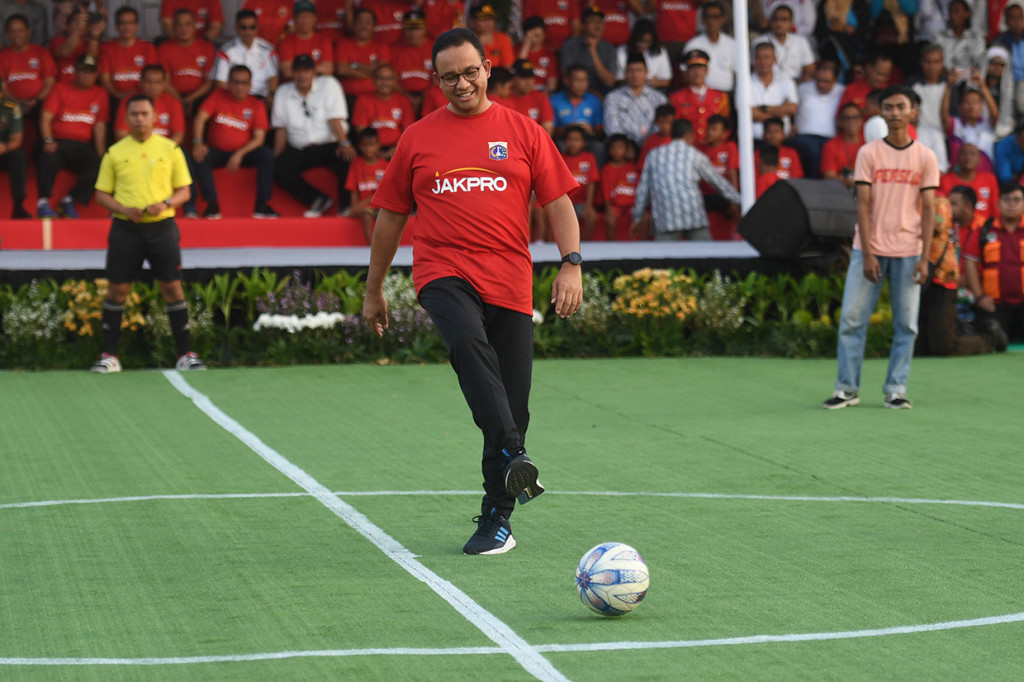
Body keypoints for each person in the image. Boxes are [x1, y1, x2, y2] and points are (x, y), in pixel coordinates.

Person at [361, 28, 583, 556]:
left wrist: (570, 265)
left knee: (512, 400)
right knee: (466, 345)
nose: (461, 83)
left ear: (487, 67)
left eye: (469, 71)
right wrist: (374, 290)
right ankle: (513, 452)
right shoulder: (416, 137)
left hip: (510, 279)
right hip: (443, 270)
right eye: (448, 76)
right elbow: (391, 217)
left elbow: (558, 204)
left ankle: (497, 517)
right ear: (434, 79)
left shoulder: (524, 130)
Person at [823, 84, 940, 411]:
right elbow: (863, 205)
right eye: (888, 107)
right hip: (868, 249)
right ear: (881, 112)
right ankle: (846, 388)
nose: (895, 113)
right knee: (851, 319)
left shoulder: (925, 157)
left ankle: (896, 389)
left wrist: (926, 257)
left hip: (909, 250)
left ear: (913, 111)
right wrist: (869, 251)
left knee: (907, 324)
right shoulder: (868, 153)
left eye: (901, 107)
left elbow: (929, 209)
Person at [91, 93, 206, 374]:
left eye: (145, 114)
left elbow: (185, 191)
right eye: (134, 114)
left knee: (172, 287)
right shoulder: (115, 152)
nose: (140, 119)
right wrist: (122, 208)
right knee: (118, 289)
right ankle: (110, 355)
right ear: (126, 118)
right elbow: (100, 194)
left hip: (162, 228)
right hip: (125, 228)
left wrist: (165, 204)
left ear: (155, 117)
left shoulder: (171, 149)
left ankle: (185, 354)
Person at [917, 189, 1006, 355]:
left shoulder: (942, 206)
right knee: (921, 347)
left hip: (945, 280)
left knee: (944, 346)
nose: (951, 207)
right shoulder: (910, 203)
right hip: (925, 280)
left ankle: (989, 338)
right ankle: (959, 329)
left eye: (955, 203)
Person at [631, 118, 741, 241]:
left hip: (666, 219)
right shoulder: (695, 154)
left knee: (664, 258)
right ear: (688, 135)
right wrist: (739, 201)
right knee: (706, 257)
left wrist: (636, 217)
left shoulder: (653, 155)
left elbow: (643, 190)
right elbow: (718, 183)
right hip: (693, 216)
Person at [272, 54, 354, 217]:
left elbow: (335, 118)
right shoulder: (283, 91)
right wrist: (276, 157)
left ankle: (345, 207)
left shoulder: (329, 84)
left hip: (329, 145)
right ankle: (318, 199)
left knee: (347, 159)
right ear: (292, 73)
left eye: (307, 71)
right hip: (301, 148)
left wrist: (344, 143)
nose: (302, 75)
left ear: (314, 72)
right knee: (277, 168)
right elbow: (281, 130)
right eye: (298, 71)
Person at [192, 64, 277, 220]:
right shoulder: (218, 95)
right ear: (229, 83)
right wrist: (198, 142)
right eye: (236, 82)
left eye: (244, 83)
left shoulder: (256, 104)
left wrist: (239, 154)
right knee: (200, 155)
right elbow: (200, 117)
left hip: (243, 154)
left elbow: (259, 138)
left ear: (250, 85)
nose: (239, 87)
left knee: (267, 154)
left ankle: (261, 205)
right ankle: (212, 205)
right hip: (217, 152)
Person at [36, 53, 108, 219]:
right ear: (74, 71)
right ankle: (43, 203)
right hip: (58, 142)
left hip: (82, 146)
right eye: (82, 71)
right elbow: (45, 117)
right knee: (48, 157)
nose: (86, 75)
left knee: (100, 165)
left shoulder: (100, 94)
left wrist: (102, 153)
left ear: (96, 75)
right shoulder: (60, 87)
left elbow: (99, 126)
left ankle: (69, 200)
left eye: (90, 72)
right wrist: (48, 140)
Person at [963, 182, 1024, 342]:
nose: (1011, 204)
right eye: (1007, 200)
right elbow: (970, 263)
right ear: (998, 203)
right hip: (994, 304)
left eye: (1017, 200)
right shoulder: (984, 229)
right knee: (988, 332)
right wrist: (979, 296)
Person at [157, 8, 216, 117]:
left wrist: (191, 98)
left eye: (188, 24)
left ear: (195, 26)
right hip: (173, 96)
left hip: (199, 96)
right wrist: (180, 99)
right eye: (179, 25)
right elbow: (164, 81)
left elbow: (209, 82)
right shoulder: (164, 49)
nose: (184, 29)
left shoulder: (207, 48)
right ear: (173, 27)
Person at [792, 61, 844, 179]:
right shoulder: (802, 89)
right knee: (813, 150)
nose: (821, 85)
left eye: (826, 81)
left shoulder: (842, 91)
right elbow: (790, 106)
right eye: (818, 80)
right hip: (804, 137)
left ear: (836, 80)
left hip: (831, 140)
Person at [603, 53, 667, 147]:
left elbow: (661, 125)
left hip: (651, 146)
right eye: (631, 71)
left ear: (646, 72)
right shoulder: (613, 97)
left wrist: (647, 144)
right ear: (625, 73)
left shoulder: (659, 99)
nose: (635, 75)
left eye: (639, 70)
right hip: (621, 149)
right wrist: (626, 146)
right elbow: (611, 126)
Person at [351, 63, 416, 157]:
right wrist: (374, 152)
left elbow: (407, 131)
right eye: (380, 79)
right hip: (370, 150)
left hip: (397, 148)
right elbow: (361, 131)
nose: (384, 83)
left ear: (395, 81)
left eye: (389, 79)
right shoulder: (363, 100)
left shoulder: (403, 101)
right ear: (373, 80)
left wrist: (395, 149)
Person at [212, 9, 278, 100]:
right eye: (243, 27)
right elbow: (220, 83)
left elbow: (273, 78)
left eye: (252, 27)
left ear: (257, 28)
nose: (248, 31)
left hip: (261, 99)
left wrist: (270, 96)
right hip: (233, 99)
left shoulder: (268, 50)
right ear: (236, 28)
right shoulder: (226, 51)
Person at [0, 14, 57, 118]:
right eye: (12, 31)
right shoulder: (2, 56)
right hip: (11, 104)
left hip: (39, 103)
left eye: (20, 31)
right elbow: (2, 86)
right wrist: (17, 102)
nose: (16, 35)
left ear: (28, 31)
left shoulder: (41, 52)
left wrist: (35, 101)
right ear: (7, 34)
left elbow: (49, 82)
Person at [112, 64, 185, 146]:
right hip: (135, 149)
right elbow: (121, 134)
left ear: (164, 84)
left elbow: (178, 135)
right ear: (141, 82)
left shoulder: (173, 103)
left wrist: (161, 151)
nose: (153, 86)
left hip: (164, 151)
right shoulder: (129, 102)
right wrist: (142, 150)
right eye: (149, 82)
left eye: (158, 82)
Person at [668, 49, 729, 145]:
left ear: (706, 70)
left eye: (700, 67)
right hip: (688, 149)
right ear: (687, 72)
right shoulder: (675, 98)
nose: (696, 72)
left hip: (712, 150)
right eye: (692, 68)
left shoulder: (721, 97)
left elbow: (726, 127)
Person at [335, 7, 391, 109]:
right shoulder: (343, 44)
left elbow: (382, 70)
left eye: (368, 22)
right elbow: (342, 69)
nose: (363, 26)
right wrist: (369, 75)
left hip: (374, 98)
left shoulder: (381, 46)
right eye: (360, 22)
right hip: (347, 98)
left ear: (374, 26)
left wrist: (354, 66)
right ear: (354, 25)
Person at [98, 6, 157, 103]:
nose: (127, 27)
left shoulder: (147, 47)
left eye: (131, 23)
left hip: (143, 98)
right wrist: (119, 96)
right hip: (115, 98)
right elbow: (105, 80)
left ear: (137, 26)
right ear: (116, 26)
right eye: (122, 23)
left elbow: (152, 77)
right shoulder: (106, 48)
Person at [558, 6, 616, 95]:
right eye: (593, 22)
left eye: (600, 22)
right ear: (582, 25)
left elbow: (609, 81)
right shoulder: (569, 46)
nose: (597, 26)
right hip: (573, 94)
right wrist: (591, 95)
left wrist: (593, 52)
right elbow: (567, 79)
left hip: (602, 94)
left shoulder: (609, 48)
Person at [344, 127, 388, 244]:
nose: (368, 149)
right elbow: (353, 191)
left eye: (372, 145)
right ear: (359, 146)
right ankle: (372, 248)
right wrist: (356, 207)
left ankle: (385, 248)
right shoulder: (356, 164)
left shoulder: (385, 165)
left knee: (386, 217)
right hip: (365, 208)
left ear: (379, 144)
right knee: (366, 215)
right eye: (365, 145)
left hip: (381, 206)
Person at [753, 3, 817, 83]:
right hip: (767, 84)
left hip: (795, 83)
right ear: (770, 21)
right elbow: (753, 67)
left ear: (791, 23)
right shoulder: (759, 41)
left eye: (784, 19)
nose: (779, 23)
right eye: (775, 19)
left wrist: (799, 83)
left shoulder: (801, 41)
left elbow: (810, 69)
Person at [750, 41, 798, 140]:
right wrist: (779, 113)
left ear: (775, 59)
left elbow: (792, 108)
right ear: (754, 60)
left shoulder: (786, 82)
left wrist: (763, 108)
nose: (763, 62)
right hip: (754, 139)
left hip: (783, 140)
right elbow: (749, 113)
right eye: (759, 57)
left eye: (767, 57)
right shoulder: (745, 82)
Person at [683, 1, 735, 93]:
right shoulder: (693, 44)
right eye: (708, 17)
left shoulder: (732, 44)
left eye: (716, 17)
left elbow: (739, 75)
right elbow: (684, 73)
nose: (711, 21)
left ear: (723, 19)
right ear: (703, 19)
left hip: (726, 96)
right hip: (700, 95)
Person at [940, 143, 998, 221]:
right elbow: (942, 210)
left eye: (972, 154)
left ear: (979, 160)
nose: (968, 157)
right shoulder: (945, 180)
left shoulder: (990, 179)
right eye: (964, 154)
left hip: (984, 230)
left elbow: (995, 210)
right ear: (957, 159)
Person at [277, 0, 334, 81]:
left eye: (308, 16)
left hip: (318, 83)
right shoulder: (286, 42)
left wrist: (300, 71)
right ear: (294, 19)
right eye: (301, 16)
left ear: (315, 18)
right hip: (293, 85)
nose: (304, 20)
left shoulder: (324, 40)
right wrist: (314, 69)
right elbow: (287, 72)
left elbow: (328, 69)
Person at [561, 125, 599, 239]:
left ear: (583, 142)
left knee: (591, 217)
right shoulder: (560, 157)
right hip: (565, 202)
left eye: (576, 140)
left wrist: (589, 206)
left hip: (582, 203)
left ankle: (584, 249)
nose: (573, 143)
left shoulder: (589, 157)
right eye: (569, 139)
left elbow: (592, 183)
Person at [600, 132, 639, 240]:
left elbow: (640, 190)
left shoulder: (633, 167)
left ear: (627, 150)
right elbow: (606, 191)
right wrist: (608, 209)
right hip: (615, 205)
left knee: (644, 218)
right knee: (610, 219)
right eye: (613, 148)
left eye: (620, 148)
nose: (616, 151)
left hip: (632, 205)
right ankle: (611, 246)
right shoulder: (607, 169)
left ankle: (642, 246)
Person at [615, 19, 671, 90]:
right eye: (640, 41)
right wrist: (643, 82)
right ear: (634, 38)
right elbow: (618, 80)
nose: (643, 45)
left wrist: (637, 81)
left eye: (647, 42)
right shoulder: (622, 50)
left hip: (652, 92)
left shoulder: (660, 51)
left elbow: (666, 81)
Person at [821, 102, 865, 189]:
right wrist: (848, 182)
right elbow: (829, 176)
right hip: (839, 192)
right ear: (840, 122)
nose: (852, 121)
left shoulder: (869, 142)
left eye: (855, 117)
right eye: (847, 118)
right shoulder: (830, 145)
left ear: (861, 120)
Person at [507, 59, 554, 135]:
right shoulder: (504, 97)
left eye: (531, 77)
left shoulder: (541, 97)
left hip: (534, 143)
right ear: (512, 79)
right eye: (523, 78)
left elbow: (548, 129)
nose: (528, 82)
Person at [0, 94, 29, 218]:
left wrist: (5, 147)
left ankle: (18, 206)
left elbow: (16, 139)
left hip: (3, 151)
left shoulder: (10, 106)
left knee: (18, 156)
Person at [516, 15, 559, 93]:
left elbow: (552, 84)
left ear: (544, 35)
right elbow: (518, 69)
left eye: (538, 35)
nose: (534, 39)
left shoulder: (549, 54)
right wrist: (526, 45)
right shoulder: (517, 49)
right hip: (520, 92)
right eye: (531, 36)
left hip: (541, 93)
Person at [469, 4, 514, 68]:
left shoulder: (503, 38)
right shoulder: (466, 40)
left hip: (499, 76)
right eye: (483, 19)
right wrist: (478, 45)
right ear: (472, 22)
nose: (488, 22)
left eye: (491, 18)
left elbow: (508, 67)